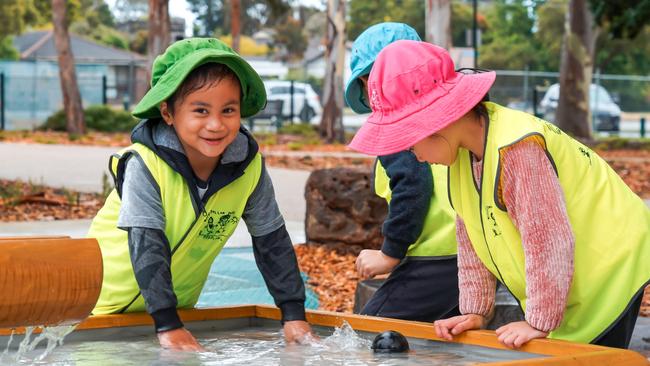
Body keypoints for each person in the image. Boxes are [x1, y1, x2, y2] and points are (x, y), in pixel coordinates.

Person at [348, 40, 650, 349]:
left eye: (409, 142)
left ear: (436, 121)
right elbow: (471, 238)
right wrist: (475, 311)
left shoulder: (516, 147)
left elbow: (547, 237)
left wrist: (539, 321)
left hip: (610, 263)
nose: (414, 155)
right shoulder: (461, 155)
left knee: (585, 352)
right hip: (571, 275)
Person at [88, 38, 313, 351]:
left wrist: (293, 315)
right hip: (98, 311)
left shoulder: (249, 168)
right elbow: (146, 242)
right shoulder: (145, 164)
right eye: (200, 110)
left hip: (178, 314)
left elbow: (271, 240)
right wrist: (168, 324)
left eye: (229, 110)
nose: (216, 124)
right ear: (167, 111)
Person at [345, 23, 460, 322]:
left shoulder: (397, 125)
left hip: (438, 258)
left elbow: (413, 187)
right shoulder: (442, 117)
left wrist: (389, 255)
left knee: (372, 330)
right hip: (468, 252)